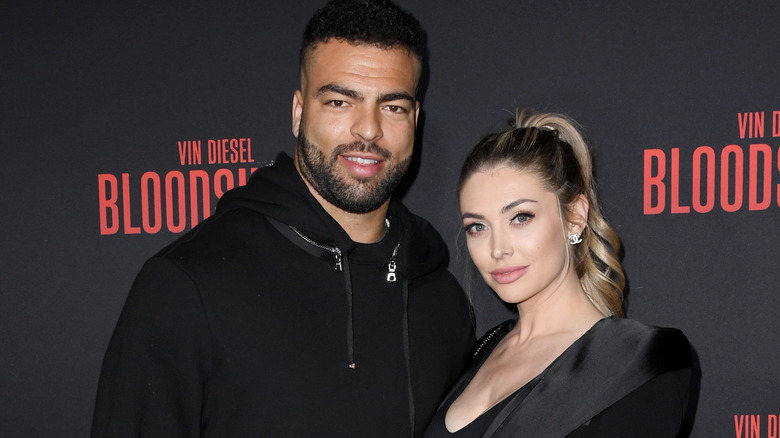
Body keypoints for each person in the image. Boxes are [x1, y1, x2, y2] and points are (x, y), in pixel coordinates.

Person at [90, 1, 474, 436]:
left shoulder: (440, 297)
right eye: (339, 101)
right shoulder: (188, 285)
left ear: (415, 121)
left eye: (393, 107)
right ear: (298, 112)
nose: (368, 130)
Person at [424, 110, 693, 437]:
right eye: (477, 226)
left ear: (575, 217)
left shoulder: (639, 362)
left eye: (520, 217)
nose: (498, 249)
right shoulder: (483, 349)